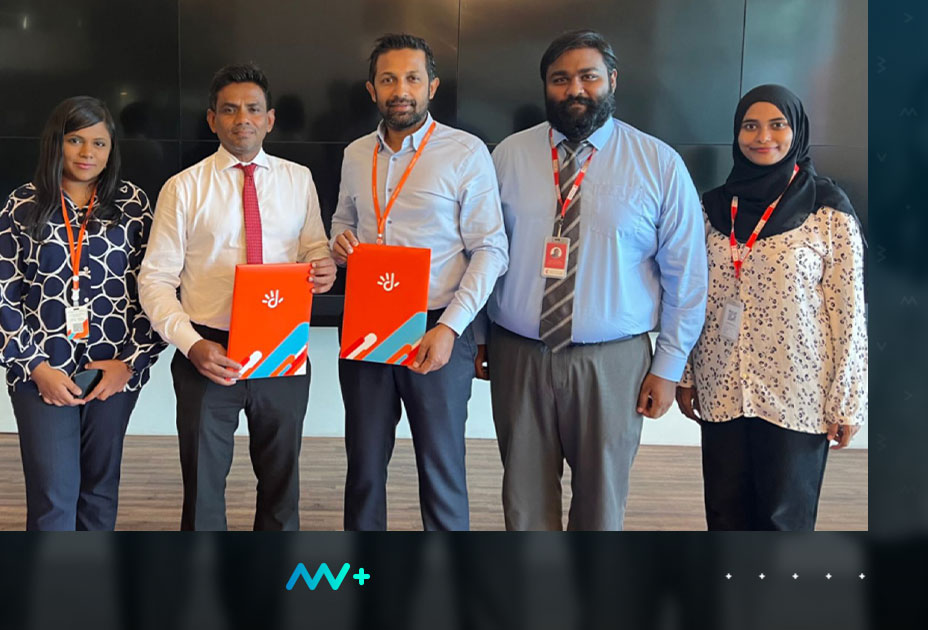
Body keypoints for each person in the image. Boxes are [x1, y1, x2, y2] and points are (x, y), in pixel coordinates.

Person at [480, 30, 707, 531]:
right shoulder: (508, 156)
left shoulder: (659, 164)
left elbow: (687, 276)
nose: (575, 90)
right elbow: (483, 252)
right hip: (518, 355)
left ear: (612, 81)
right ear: (545, 86)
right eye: (560, 79)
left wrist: (668, 366)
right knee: (523, 503)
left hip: (614, 364)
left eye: (588, 76)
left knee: (602, 505)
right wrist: (479, 334)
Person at [139, 64, 336, 530]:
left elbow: (313, 249)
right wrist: (192, 345)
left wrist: (323, 266)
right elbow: (155, 280)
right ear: (212, 120)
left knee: (282, 486)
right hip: (208, 349)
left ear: (270, 119)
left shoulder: (298, 179)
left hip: (283, 348)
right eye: (229, 110)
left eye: (253, 109)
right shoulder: (183, 188)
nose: (242, 118)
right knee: (203, 488)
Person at [332, 33, 508, 531]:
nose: (401, 90)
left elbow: (491, 249)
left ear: (432, 86)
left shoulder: (465, 151)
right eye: (388, 79)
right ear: (372, 89)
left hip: (437, 327)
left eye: (412, 78)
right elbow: (342, 221)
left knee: (441, 466)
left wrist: (451, 328)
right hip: (367, 325)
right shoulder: (355, 154)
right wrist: (339, 243)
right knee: (364, 467)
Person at [676, 84, 867, 531]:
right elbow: (690, 294)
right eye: (750, 126)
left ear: (797, 130)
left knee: (784, 521)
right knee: (725, 513)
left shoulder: (828, 209)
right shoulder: (711, 208)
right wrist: (686, 373)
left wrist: (848, 401)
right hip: (722, 383)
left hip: (797, 392)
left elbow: (849, 314)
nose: (763, 137)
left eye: (777, 125)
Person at [0, 96, 166, 531]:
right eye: (75, 140)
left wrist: (130, 363)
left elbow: (155, 287)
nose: (87, 153)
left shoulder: (132, 204)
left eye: (99, 143)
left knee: (100, 490)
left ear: (111, 148)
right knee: (53, 494)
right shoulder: (22, 205)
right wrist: (35, 367)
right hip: (42, 372)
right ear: (56, 143)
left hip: (112, 373)